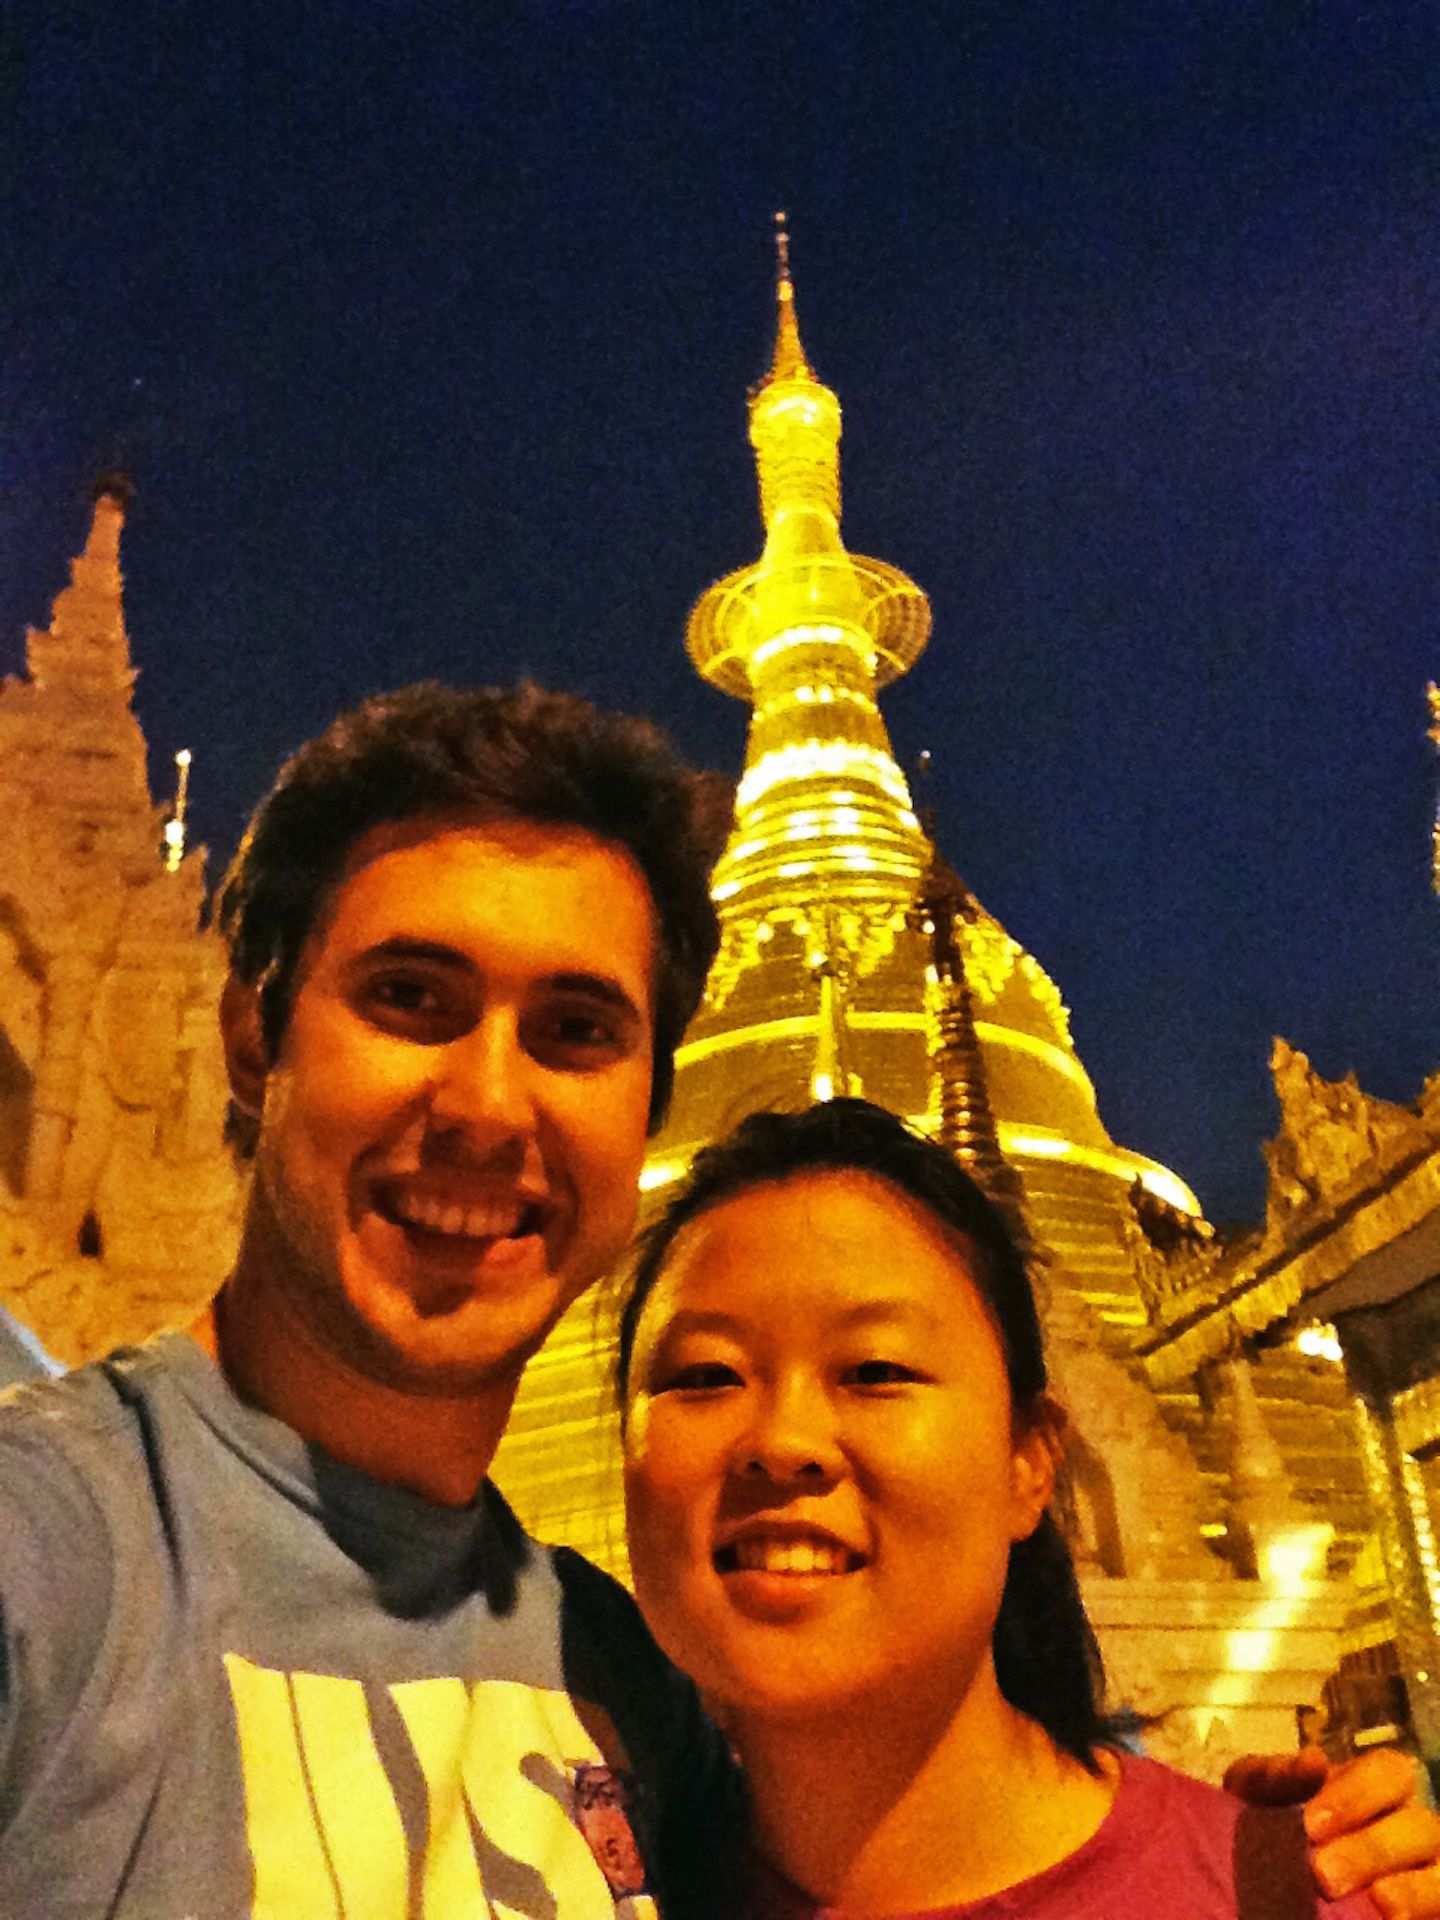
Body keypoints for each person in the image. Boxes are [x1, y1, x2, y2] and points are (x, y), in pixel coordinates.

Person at [0, 684, 1432, 1917]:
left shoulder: (625, 1685)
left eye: (573, 1031)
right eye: (412, 998)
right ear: (250, 1042)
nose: (490, 1104)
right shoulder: (57, 1559)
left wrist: (1262, 1852)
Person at [619, 1099, 1440, 1919]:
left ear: (1032, 1462)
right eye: (705, 1374)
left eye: (874, 1369)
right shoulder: (578, 1883)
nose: (784, 1440)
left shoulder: (1298, 1896)